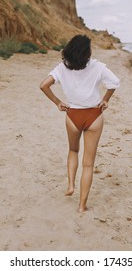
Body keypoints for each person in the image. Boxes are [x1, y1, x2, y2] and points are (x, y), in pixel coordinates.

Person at [40, 35, 120, 212]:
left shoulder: (62, 68)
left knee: (73, 150)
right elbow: (114, 82)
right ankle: (82, 206)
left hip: (73, 115)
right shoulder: (98, 66)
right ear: (87, 52)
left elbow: (44, 85)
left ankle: (70, 185)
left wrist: (58, 102)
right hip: (94, 115)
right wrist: (106, 99)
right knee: (88, 164)